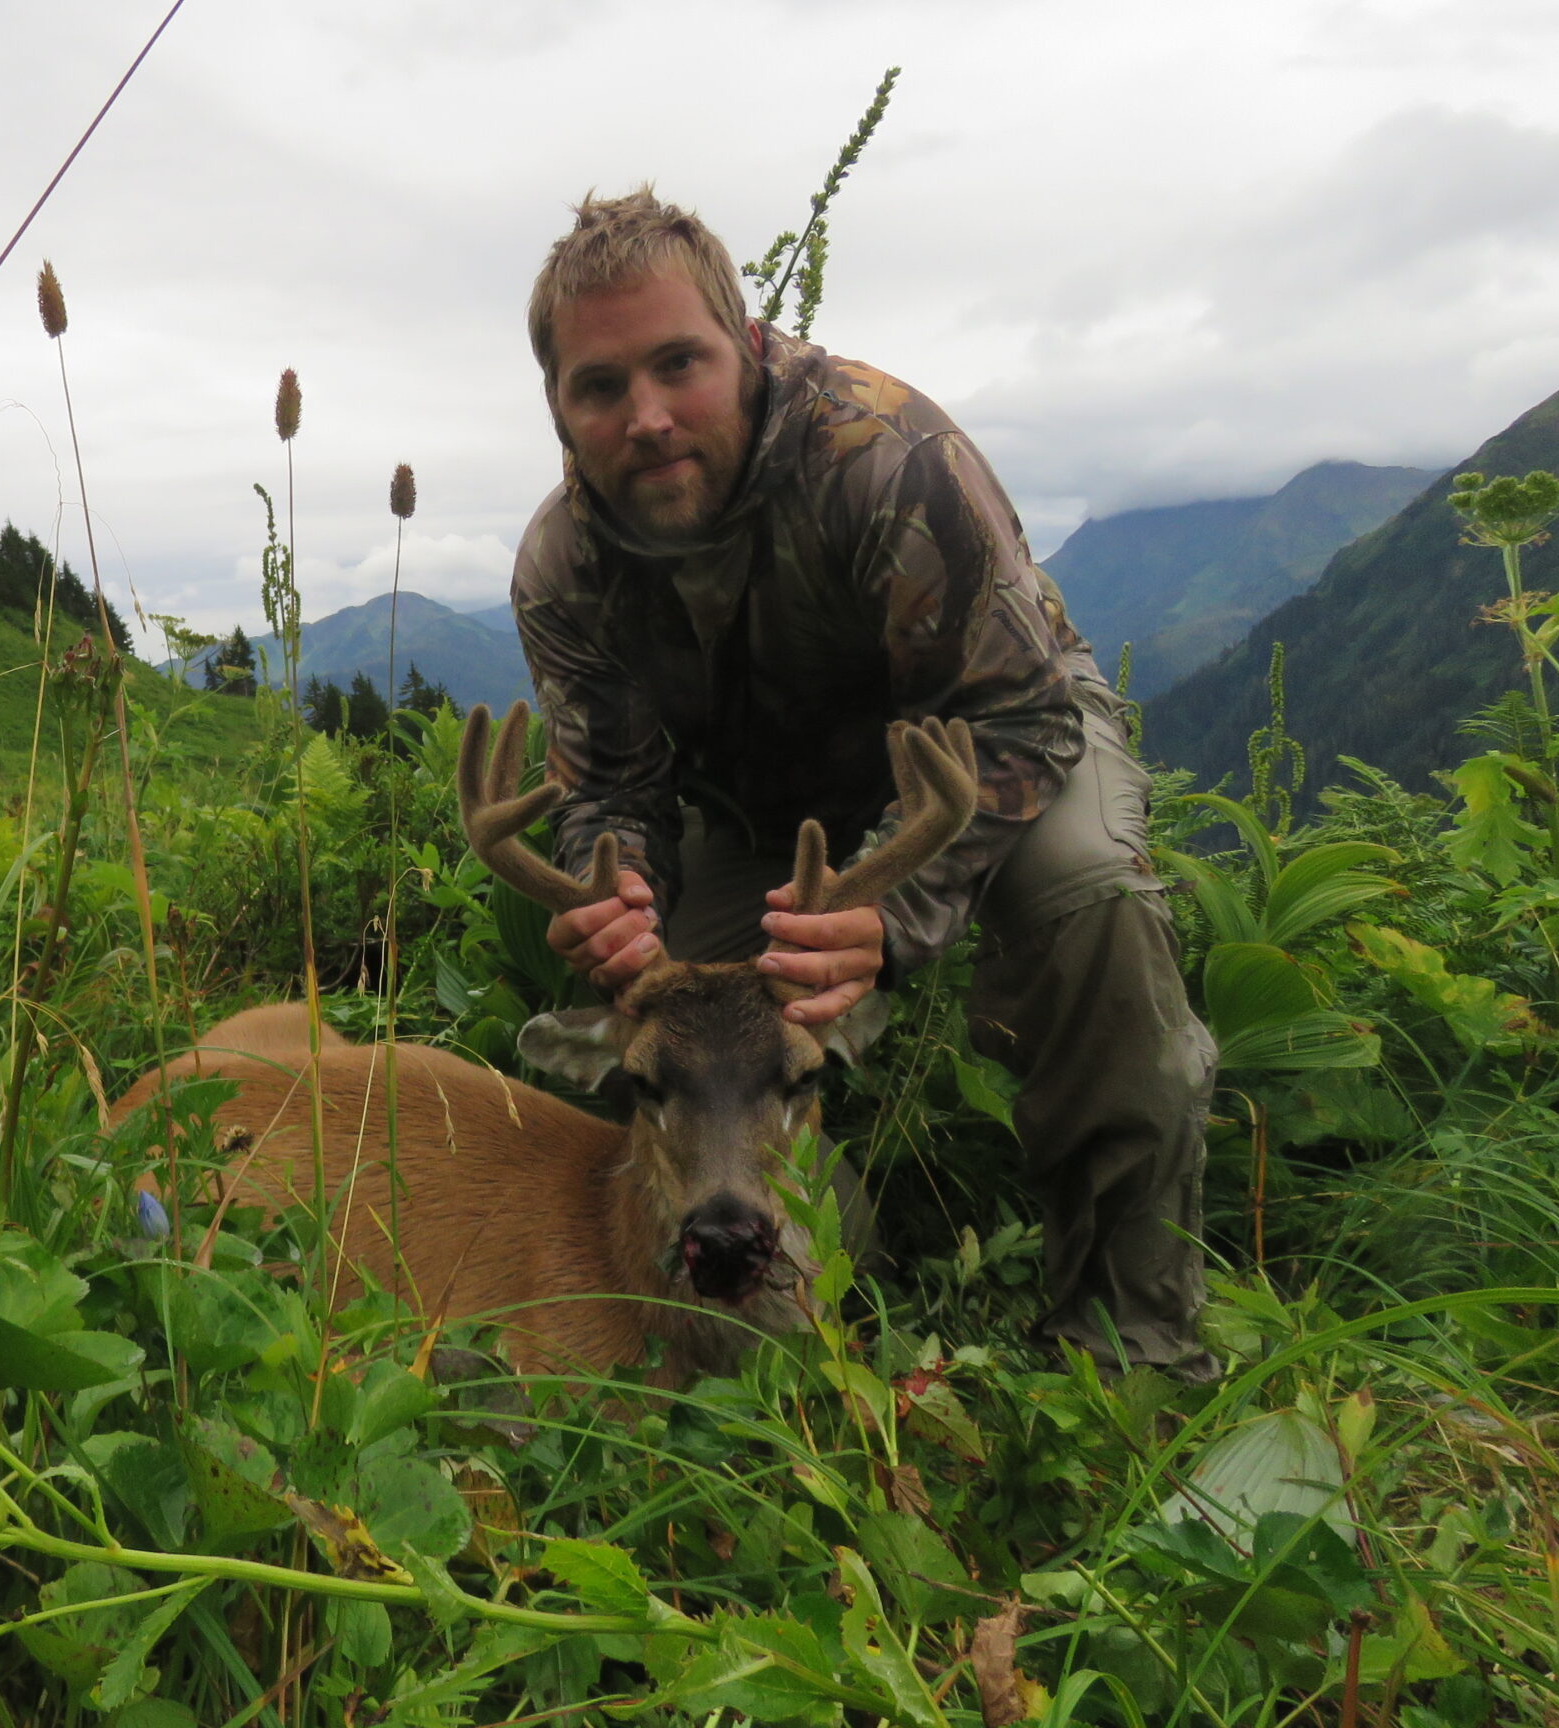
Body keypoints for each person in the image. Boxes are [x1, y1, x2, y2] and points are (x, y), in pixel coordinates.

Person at [511, 187, 1217, 1381]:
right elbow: (612, 783)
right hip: (764, 809)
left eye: (676, 364)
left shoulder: (888, 459)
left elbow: (1020, 711)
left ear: (743, 348)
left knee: (1085, 896)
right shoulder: (564, 563)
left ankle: (1130, 1341)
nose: (645, 418)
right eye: (599, 386)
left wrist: (883, 918)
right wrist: (619, 885)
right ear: (559, 406)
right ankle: (778, 1283)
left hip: (987, 748)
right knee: (674, 1020)